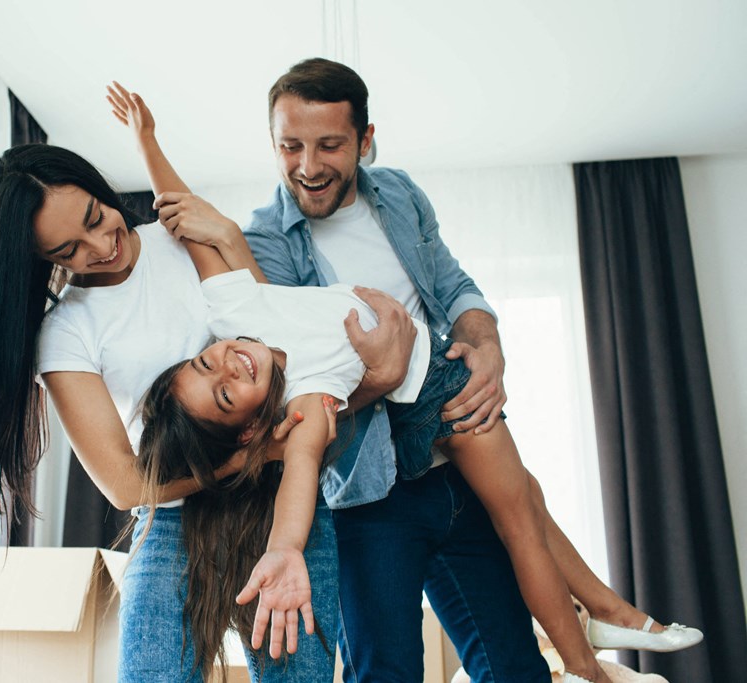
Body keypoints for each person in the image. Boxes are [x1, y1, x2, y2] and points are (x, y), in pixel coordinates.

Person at [112, 60, 702, 682]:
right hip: (376, 483)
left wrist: (148, 142)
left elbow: (191, 217)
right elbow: (303, 458)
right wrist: (287, 544)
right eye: (291, 147)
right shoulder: (275, 274)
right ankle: (598, 655)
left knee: (523, 520)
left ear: (365, 141)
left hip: (450, 429)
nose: (307, 165)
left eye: (329, 144)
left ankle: (598, 638)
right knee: (400, 653)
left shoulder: (375, 208)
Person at [0, 142, 362, 683]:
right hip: (174, 516)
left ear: (98, 186)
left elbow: (282, 335)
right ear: (41, 262)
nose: (101, 246)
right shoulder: (67, 332)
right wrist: (248, 456)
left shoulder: (184, 236)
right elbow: (126, 485)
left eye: (95, 217)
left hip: (278, 507)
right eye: (67, 251)